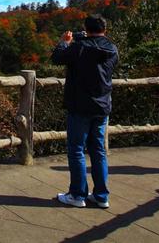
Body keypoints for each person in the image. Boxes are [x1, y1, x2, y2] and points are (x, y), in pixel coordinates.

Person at [51, 14, 119, 208]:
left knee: (77, 150)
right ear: (104, 29)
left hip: (80, 105)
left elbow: (57, 58)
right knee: (98, 151)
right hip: (102, 106)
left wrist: (65, 42)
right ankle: (100, 196)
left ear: (86, 28)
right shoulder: (112, 49)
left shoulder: (79, 47)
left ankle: (78, 195)